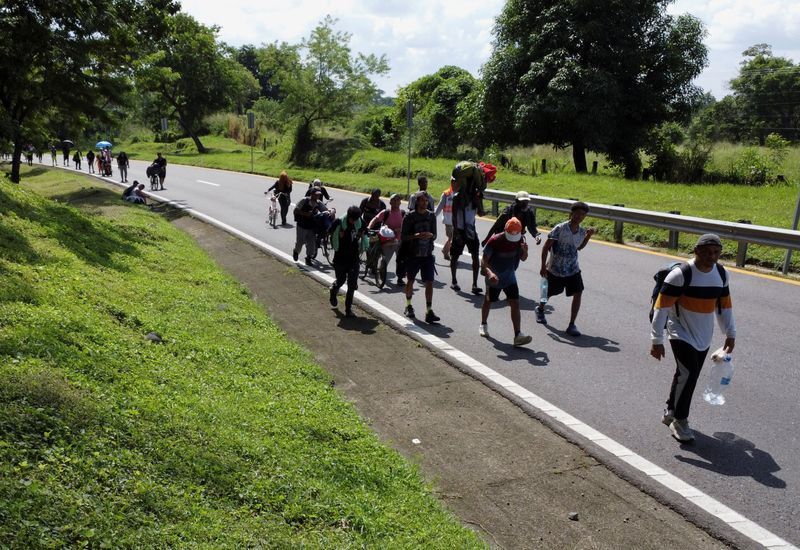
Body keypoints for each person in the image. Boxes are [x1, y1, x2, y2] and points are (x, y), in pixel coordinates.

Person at [650, 233, 736, 443]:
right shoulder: (680, 275)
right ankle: (680, 420)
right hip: (678, 330)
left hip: (703, 335)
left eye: (716, 252)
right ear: (696, 251)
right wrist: (656, 340)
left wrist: (730, 333)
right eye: (707, 252)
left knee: (684, 374)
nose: (712, 256)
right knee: (689, 374)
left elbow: (724, 307)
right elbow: (661, 308)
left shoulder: (721, 274)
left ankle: (670, 411)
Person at [535, 201, 595, 336]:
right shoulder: (560, 228)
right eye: (577, 213)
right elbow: (546, 247)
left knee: (578, 292)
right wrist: (543, 266)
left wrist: (588, 237)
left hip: (573, 269)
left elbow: (578, 247)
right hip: (555, 268)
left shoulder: (581, 231)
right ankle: (540, 309)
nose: (580, 216)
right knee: (549, 292)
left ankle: (572, 324)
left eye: (583, 215)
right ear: (571, 213)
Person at [479, 217, 533, 347]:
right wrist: (490, 273)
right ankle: (483, 324)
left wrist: (525, 251)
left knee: (515, 302)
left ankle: (518, 335)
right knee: (488, 300)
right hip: (494, 276)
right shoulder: (495, 240)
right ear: (505, 230)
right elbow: (483, 261)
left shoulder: (520, 239)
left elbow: (524, 258)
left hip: (509, 276)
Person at [401, 191, 439, 324]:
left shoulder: (431, 216)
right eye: (422, 200)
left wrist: (430, 235)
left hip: (427, 255)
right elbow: (403, 237)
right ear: (417, 202)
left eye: (426, 201)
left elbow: (435, 235)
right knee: (410, 280)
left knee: (429, 282)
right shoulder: (409, 217)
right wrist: (416, 236)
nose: (424, 203)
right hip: (413, 255)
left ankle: (429, 310)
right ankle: (408, 305)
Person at [329, 206, 369, 318]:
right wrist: (338, 234)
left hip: (354, 258)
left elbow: (366, 232)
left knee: (352, 285)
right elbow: (329, 231)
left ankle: (348, 309)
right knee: (341, 280)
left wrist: (362, 235)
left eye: (357, 219)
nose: (355, 222)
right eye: (353, 219)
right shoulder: (339, 222)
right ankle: (334, 290)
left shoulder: (360, 222)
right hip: (340, 258)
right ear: (348, 216)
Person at [449, 178, 482, 295]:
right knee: (454, 256)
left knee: (475, 256)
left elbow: (481, 213)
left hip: (471, 231)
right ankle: (454, 280)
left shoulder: (475, 198)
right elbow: (453, 216)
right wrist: (456, 232)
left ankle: (475, 284)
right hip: (460, 230)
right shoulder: (457, 197)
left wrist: (478, 200)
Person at [368, 193, 405, 283]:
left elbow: (407, 226)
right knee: (385, 261)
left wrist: (400, 229)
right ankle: (380, 273)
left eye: (398, 200)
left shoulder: (403, 213)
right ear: (390, 202)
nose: (396, 202)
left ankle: (400, 278)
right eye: (394, 200)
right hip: (388, 241)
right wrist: (369, 228)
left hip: (400, 241)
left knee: (401, 261)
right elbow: (375, 219)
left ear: (400, 202)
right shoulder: (386, 212)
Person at [293, 188, 330, 265]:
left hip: (312, 226)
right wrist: (305, 214)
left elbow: (326, 210)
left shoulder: (318, 203)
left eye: (319, 194)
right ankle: (296, 252)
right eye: (316, 194)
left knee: (311, 244)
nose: (318, 196)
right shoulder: (304, 200)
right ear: (312, 194)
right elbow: (296, 210)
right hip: (302, 225)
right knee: (300, 242)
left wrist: (331, 211)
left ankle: (308, 258)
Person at [434, 177, 455, 260]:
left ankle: (446, 251)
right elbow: (439, 207)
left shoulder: (460, 194)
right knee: (452, 238)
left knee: (453, 238)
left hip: (456, 222)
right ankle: (447, 251)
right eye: (453, 181)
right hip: (448, 220)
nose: (455, 183)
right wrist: (432, 216)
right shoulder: (446, 194)